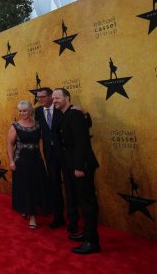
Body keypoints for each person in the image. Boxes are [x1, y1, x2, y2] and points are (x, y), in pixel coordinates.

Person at [52, 88, 101, 254]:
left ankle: (92, 242)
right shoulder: (68, 115)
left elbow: (82, 142)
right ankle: (87, 235)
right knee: (82, 202)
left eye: (58, 97)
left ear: (67, 98)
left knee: (87, 204)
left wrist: (80, 166)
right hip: (74, 165)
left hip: (82, 166)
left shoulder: (74, 114)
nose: (55, 100)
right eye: (53, 98)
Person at [35, 87, 79, 234]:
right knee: (54, 186)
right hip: (50, 155)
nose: (39, 99)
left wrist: (83, 112)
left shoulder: (63, 108)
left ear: (50, 97)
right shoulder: (38, 111)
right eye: (38, 97)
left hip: (66, 154)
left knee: (70, 187)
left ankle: (73, 221)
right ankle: (58, 217)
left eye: (42, 97)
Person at [6, 100, 50, 229]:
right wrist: (11, 161)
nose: (22, 113)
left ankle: (29, 209)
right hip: (21, 160)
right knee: (26, 187)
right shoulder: (15, 126)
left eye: (24, 111)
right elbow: (9, 144)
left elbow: (46, 139)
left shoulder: (38, 124)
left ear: (30, 111)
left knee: (36, 186)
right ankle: (32, 217)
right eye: (20, 111)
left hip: (36, 159)